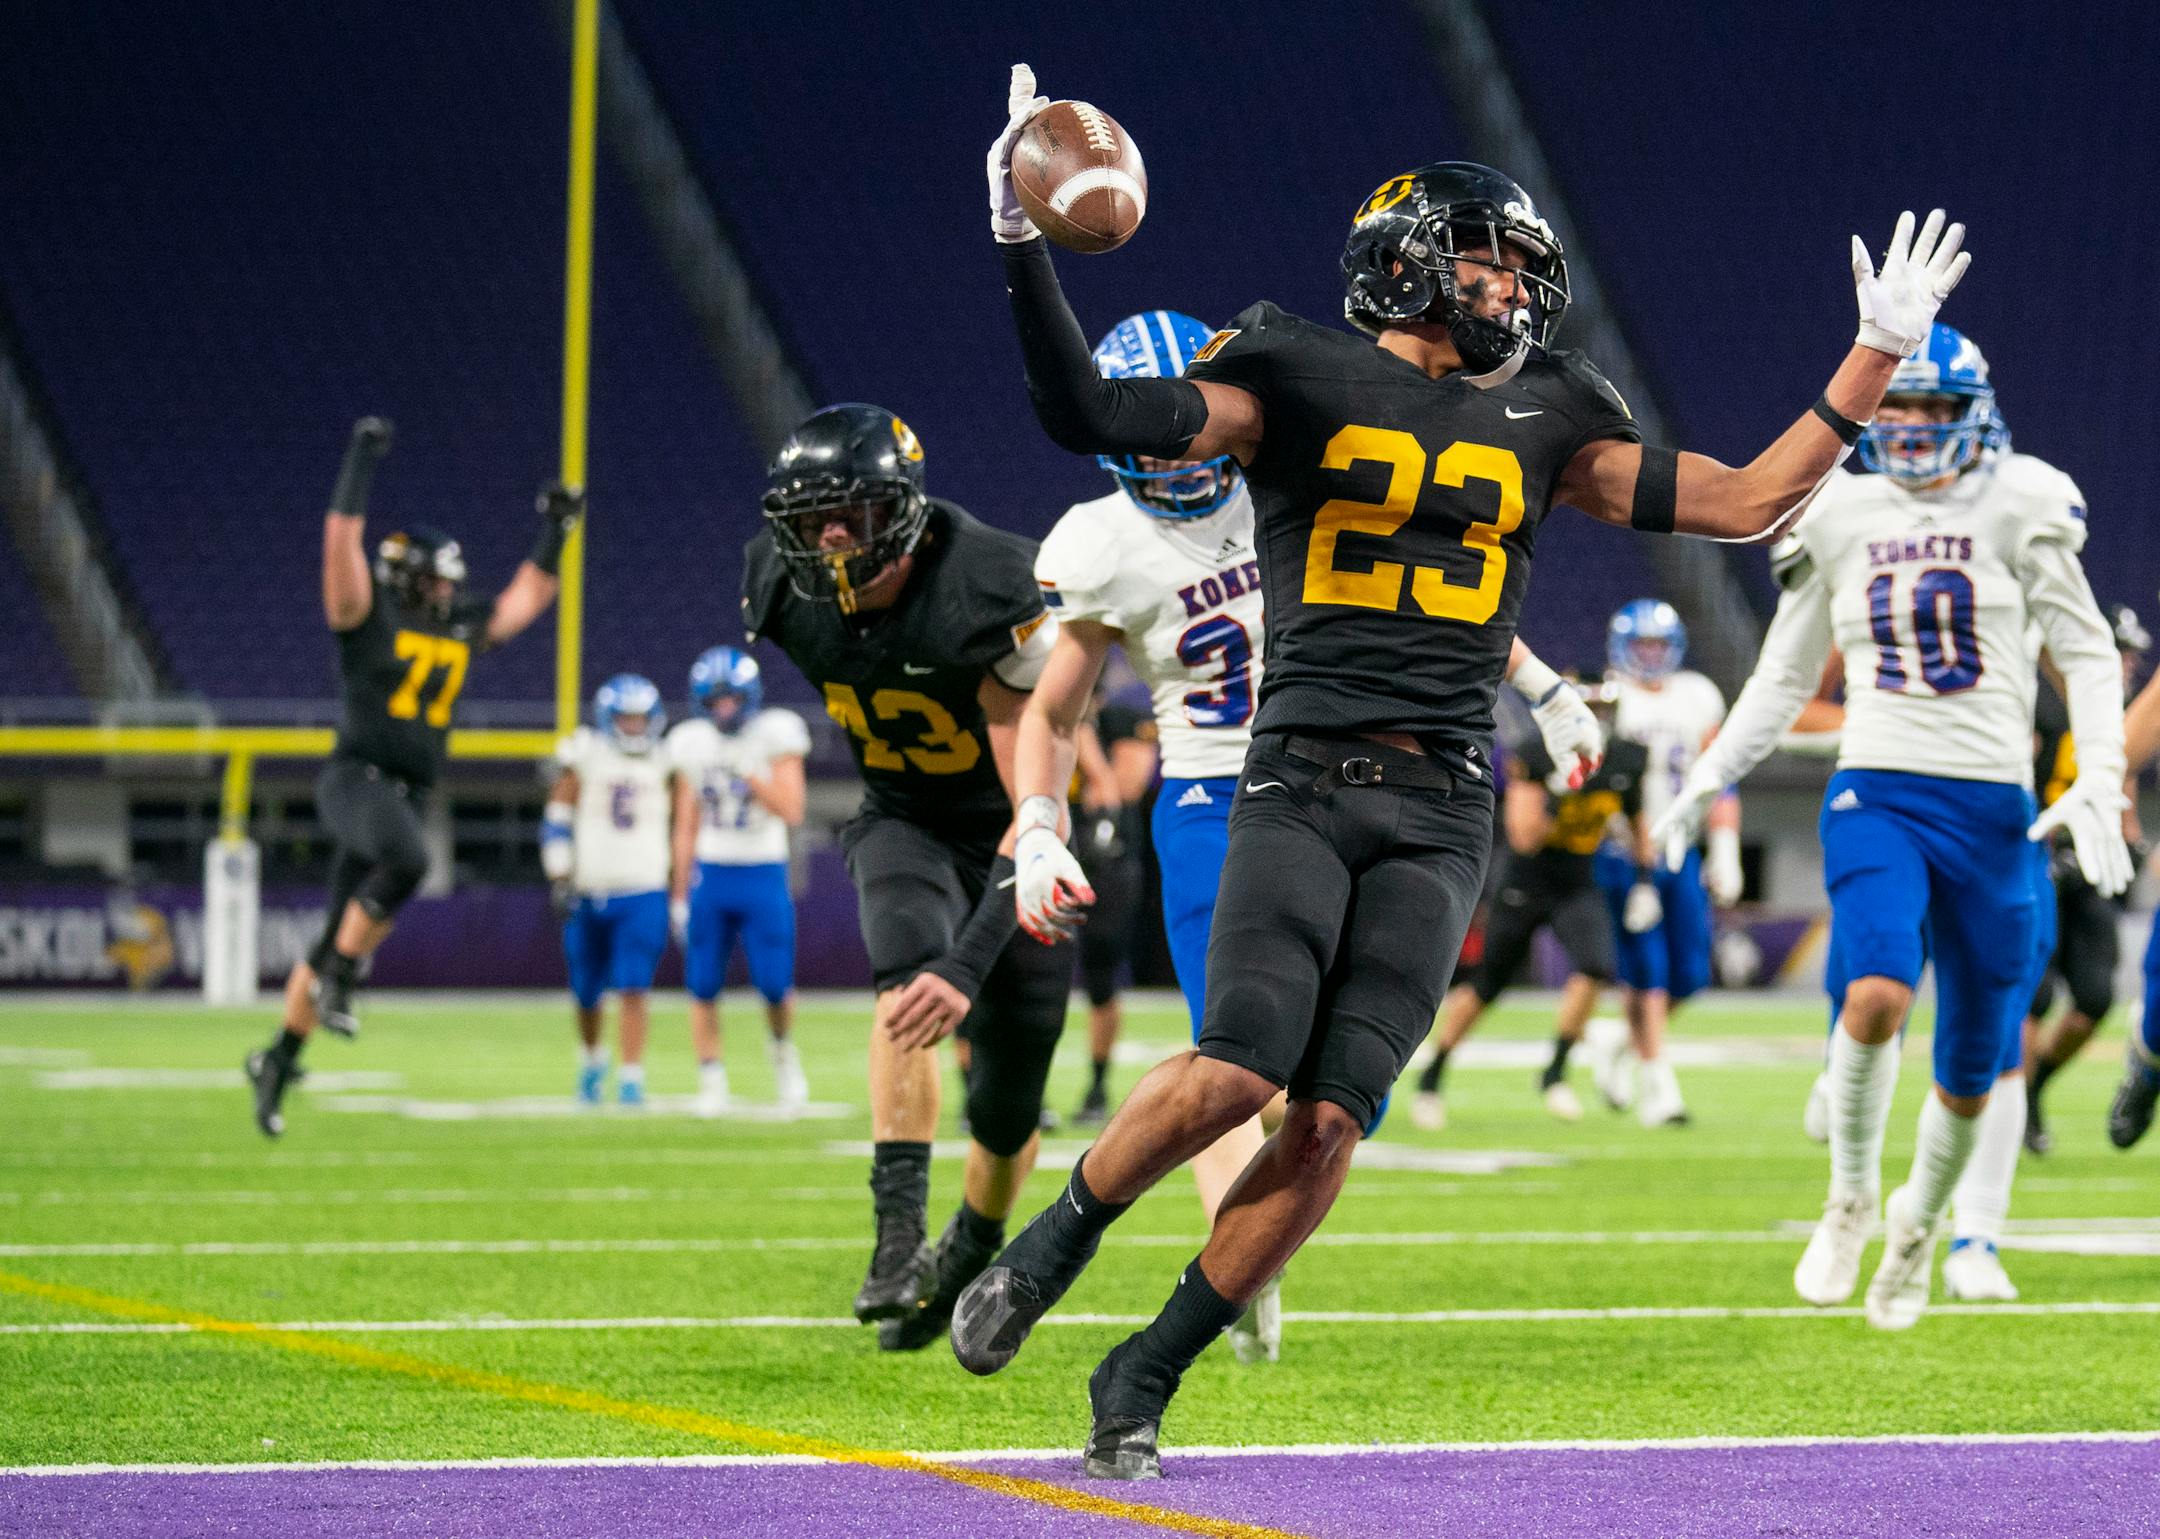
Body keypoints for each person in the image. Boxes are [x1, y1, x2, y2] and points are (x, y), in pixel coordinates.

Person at [958, 62, 1968, 1476]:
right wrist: (1020, 240)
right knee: (1240, 1064)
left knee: (1330, 1121)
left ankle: (1146, 1370)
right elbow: (1090, 415)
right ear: (1405, 260)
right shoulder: (1287, 367)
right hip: (1300, 774)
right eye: (1486, 258)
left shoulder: (1553, 405)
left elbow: (1745, 503)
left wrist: (1873, 354)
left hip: (1443, 804)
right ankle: (1061, 1235)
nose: (1512, 286)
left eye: (1517, 264)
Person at [1017, 308, 1602, 1361]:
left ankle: (1233, 1261)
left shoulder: (1298, 456)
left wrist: (1545, 687)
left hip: (1360, 770)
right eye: (1150, 443)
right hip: (1217, 792)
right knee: (1238, 1060)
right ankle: (1223, 1264)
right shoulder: (1102, 543)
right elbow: (1055, 709)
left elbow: (1434, 590)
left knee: (1325, 1079)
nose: (1171, 458)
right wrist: (1037, 823)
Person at [1656, 323, 2127, 1330]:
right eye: (1896, 406)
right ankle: (1851, 1198)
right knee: (1874, 992)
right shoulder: (1843, 510)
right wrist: (1715, 771)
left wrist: (2102, 774)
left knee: (1973, 1065)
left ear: (1975, 416)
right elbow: (1786, 673)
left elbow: (2088, 652)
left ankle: (1918, 1228)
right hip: (1879, 787)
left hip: (1993, 809)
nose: (1910, 427)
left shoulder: (2022, 500)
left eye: (1932, 408)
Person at [744, 401, 1067, 1352]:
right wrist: (940, 970)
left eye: (849, 516)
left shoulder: (986, 586)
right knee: (904, 979)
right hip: (902, 817)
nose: (829, 540)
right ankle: (895, 1239)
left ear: (904, 511)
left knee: (1007, 1103)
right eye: (813, 521)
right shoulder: (776, 584)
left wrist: (970, 964)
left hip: (1018, 832)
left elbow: (1035, 804)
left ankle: (969, 1248)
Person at [246, 417, 579, 1137]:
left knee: (333, 933)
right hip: (356, 780)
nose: (444, 592)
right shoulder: (366, 614)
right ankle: (343, 979)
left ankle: (277, 1059)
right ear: (403, 576)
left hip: (406, 793)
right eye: (433, 580)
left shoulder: (458, 623)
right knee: (408, 860)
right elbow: (339, 545)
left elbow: (524, 600)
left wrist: (556, 531)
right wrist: (359, 459)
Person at [1412, 678, 1646, 1129]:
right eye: (1590, 707)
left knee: (1596, 966)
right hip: (1527, 880)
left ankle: (1555, 1072)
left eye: (1604, 708)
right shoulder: (1537, 752)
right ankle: (1432, 1074)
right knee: (1489, 983)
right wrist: (1560, 793)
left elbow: (1638, 822)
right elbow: (1524, 837)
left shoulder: (1625, 756)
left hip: (1578, 879)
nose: (1598, 718)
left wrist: (1647, 882)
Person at [1591, 599, 1742, 1125]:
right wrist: (1635, 857)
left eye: (1659, 644)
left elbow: (1719, 773)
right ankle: (1660, 1089)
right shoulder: (1610, 696)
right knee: (1647, 969)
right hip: (1623, 852)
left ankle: (1619, 1040)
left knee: (1692, 974)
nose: (1651, 655)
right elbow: (1599, 783)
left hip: (1681, 849)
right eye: (1642, 644)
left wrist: (1725, 848)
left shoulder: (1698, 694)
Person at [2021, 606, 2148, 1152]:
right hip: (2035, 852)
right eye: (2121, 652)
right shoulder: (2038, 698)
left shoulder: (2117, 709)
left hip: (2090, 862)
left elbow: (2124, 779)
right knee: (2033, 995)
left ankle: (2032, 1090)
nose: (2128, 665)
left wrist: (2130, 840)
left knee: (2094, 1000)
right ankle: (2013, 1110)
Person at [665, 646, 811, 1115]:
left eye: (731, 698)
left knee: (774, 983)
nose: (724, 708)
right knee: (702, 983)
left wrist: (752, 775)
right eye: (715, 699)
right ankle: (710, 1078)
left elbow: (792, 810)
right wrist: (679, 893)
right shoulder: (690, 741)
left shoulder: (776, 733)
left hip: (763, 870)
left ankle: (783, 1056)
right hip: (712, 873)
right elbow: (685, 823)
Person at [544, 675, 678, 1108]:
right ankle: (592, 1059)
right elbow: (558, 815)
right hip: (590, 889)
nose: (634, 726)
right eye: (626, 718)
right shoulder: (586, 753)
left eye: (640, 718)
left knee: (634, 987)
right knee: (586, 991)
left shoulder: (667, 759)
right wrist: (559, 872)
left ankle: (632, 1076)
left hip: (644, 889)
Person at [1068, 691, 1156, 1130]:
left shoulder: (1122, 719)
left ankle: (1097, 1086)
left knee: (1101, 974)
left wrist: (1080, 734)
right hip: (1049, 856)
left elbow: (1122, 790)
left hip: (1108, 864)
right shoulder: (1032, 716)